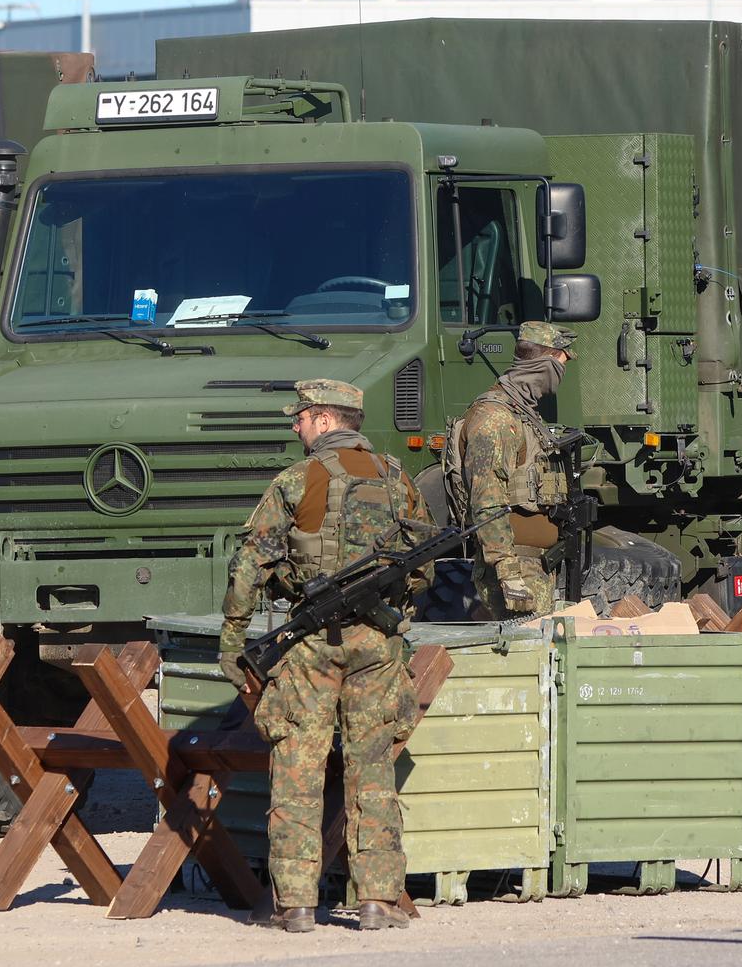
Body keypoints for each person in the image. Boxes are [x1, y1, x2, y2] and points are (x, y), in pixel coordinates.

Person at [218, 379, 426, 933]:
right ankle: (378, 899)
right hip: (377, 644)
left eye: (302, 417)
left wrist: (233, 639)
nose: (296, 426)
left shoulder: (296, 480)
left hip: (310, 645)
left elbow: (250, 564)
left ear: (327, 420)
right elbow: (422, 564)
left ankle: (294, 904)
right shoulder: (396, 478)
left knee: (298, 767)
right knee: (372, 767)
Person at [449, 321, 578, 617]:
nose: (562, 373)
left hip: (532, 566)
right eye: (561, 364)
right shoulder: (496, 418)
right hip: (515, 572)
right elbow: (487, 500)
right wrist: (508, 572)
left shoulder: (523, 414)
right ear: (545, 364)